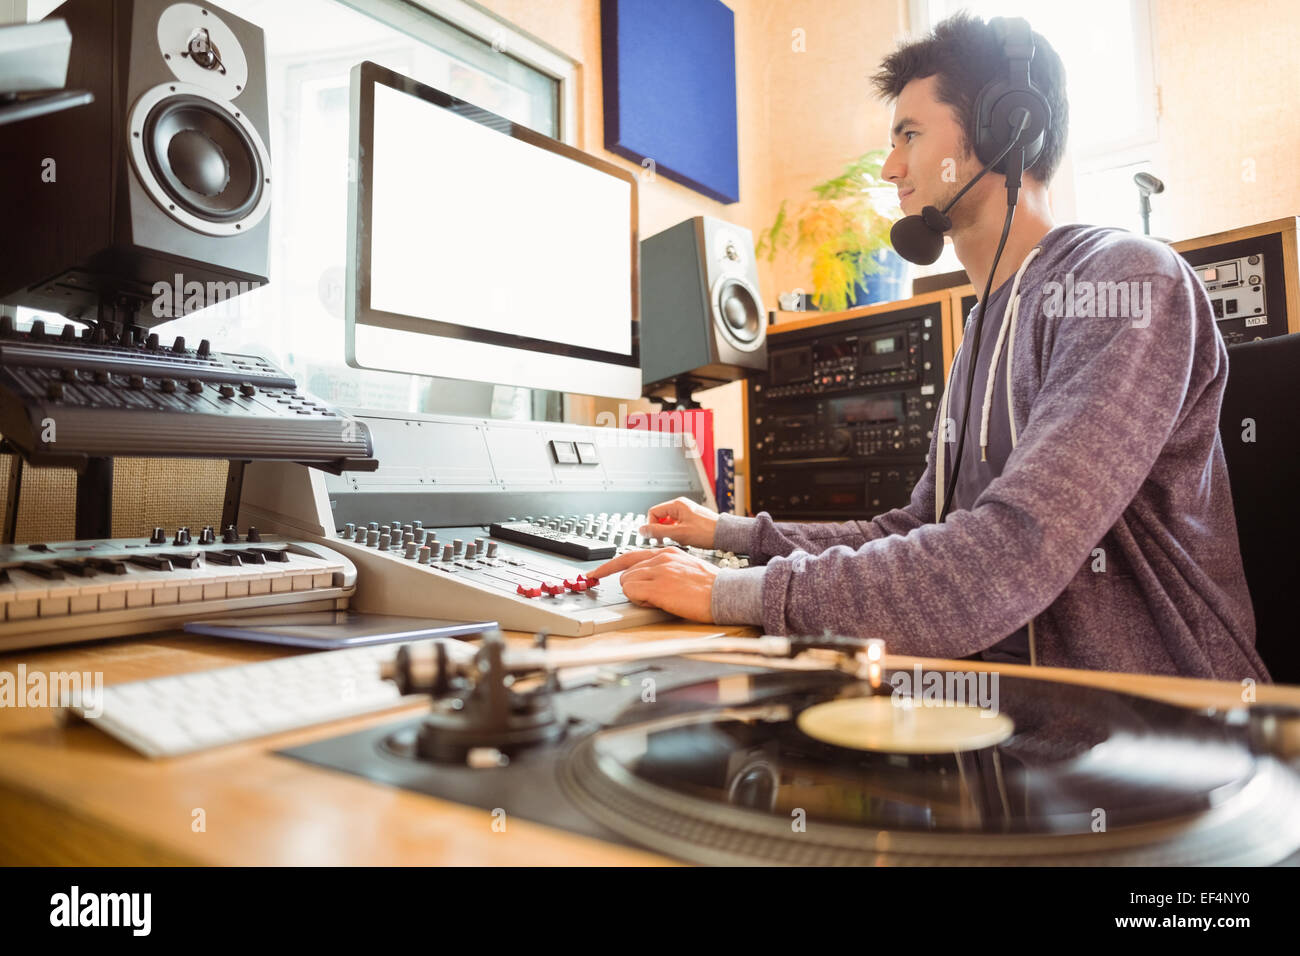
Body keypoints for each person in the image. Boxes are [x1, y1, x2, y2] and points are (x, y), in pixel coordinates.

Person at [590, 13, 1268, 682]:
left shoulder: (1126, 280)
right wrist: (729, 536)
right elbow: (916, 528)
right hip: (1015, 725)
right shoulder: (983, 328)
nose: (890, 167)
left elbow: (1006, 556)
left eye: (909, 135)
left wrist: (725, 594)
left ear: (1008, 129)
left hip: (1160, 731)